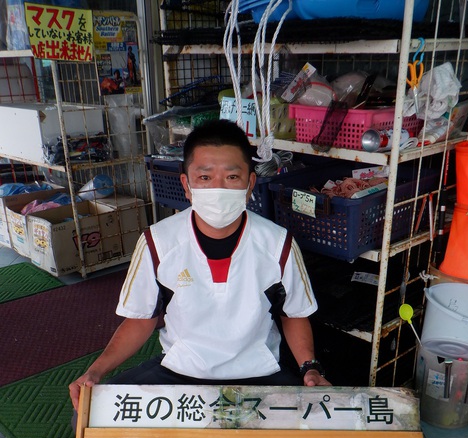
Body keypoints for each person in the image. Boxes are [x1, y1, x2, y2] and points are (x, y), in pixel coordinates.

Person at [69, 119, 330, 411]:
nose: (218, 188)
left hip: (259, 373)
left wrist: (310, 367)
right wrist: (95, 372)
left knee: (315, 419)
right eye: (205, 178)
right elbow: (141, 319)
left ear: (249, 184)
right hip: (180, 372)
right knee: (92, 415)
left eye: (232, 177)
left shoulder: (278, 244)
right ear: (187, 185)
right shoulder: (158, 242)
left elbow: (293, 314)